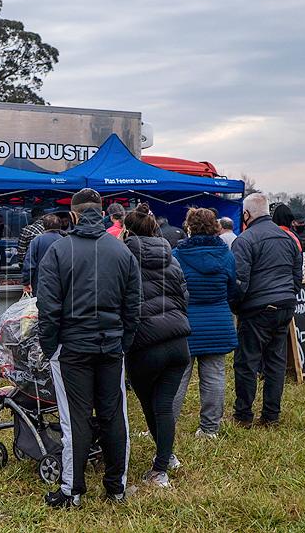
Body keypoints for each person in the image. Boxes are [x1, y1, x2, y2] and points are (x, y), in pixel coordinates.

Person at [36, 188, 141, 506]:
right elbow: (133, 307)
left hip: (72, 348)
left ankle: (72, 491)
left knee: (75, 420)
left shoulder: (58, 250)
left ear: (75, 214)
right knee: (113, 416)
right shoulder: (122, 251)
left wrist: (50, 346)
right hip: (109, 346)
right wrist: (123, 342)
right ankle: (116, 488)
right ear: (104, 212)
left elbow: (48, 307)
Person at [120, 203, 191, 488]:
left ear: (127, 230)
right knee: (162, 404)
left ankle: (162, 466)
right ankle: (166, 457)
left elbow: (120, 301)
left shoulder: (125, 258)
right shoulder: (171, 259)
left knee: (152, 404)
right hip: (177, 341)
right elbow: (184, 298)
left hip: (145, 343)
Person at [231, 193, 302, 428]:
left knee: (247, 363)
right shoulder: (288, 238)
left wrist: (236, 306)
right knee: (275, 363)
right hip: (285, 305)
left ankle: (243, 415)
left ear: (246, 214)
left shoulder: (245, 240)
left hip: (257, 308)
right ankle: (271, 415)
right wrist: (289, 296)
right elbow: (296, 275)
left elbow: (240, 281)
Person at [172, 208, 239, 441]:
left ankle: (165, 424)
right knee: (215, 376)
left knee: (178, 377)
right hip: (218, 319)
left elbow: (172, 289)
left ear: (189, 227)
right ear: (215, 227)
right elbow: (233, 288)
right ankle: (210, 428)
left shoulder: (178, 255)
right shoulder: (226, 255)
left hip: (185, 322)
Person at [21, 214, 63, 293]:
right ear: (60, 226)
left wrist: (26, 282)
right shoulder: (64, 241)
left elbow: (29, 263)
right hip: (60, 284)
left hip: (40, 284)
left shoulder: (37, 240)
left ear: (44, 226)